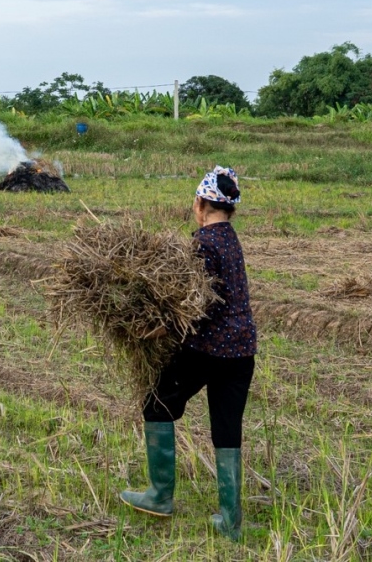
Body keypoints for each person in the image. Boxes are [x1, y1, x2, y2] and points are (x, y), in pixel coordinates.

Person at [118, 166, 256, 541]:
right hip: (242, 350)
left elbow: (200, 304)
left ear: (199, 204)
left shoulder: (203, 243)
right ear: (231, 209)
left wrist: (161, 328)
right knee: (227, 428)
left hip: (208, 348)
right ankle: (230, 521)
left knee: (156, 404)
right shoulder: (231, 240)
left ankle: (160, 496)